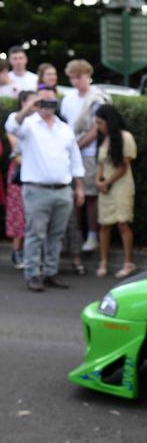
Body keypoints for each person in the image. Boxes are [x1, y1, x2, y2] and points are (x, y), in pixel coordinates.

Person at [5, 88, 84, 291]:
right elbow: (12, 126)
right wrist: (29, 108)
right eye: (44, 101)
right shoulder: (29, 125)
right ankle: (32, 273)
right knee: (35, 233)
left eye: (51, 101)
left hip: (62, 189)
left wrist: (79, 188)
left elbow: (75, 159)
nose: (47, 105)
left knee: (56, 234)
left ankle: (50, 272)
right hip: (36, 189)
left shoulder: (64, 128)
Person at [61, 60, 110, 255]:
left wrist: (77, 146)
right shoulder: (67, 99)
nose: (76, 81)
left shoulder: (97, 98)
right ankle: (75, 237)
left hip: (89, 153)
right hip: (69, 154)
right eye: (72, 77)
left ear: (87, 75)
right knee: (73, 197)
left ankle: (92, 235)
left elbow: (97, 127)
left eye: (79, 77)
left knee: (90, 196)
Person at [94, 104, 137, 278]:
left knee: (122, 223)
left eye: (100, 123)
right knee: (104, 224)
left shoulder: (125, 137)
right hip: (106, 188)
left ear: (109, 122)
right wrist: (98, 181)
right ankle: (103, 261)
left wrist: (107, 182)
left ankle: (128, 262)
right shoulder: (104, 139)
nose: (98, 127)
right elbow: (101, 164)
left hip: (121, 186)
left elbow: (123, 167)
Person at [3, 89, 30, 269]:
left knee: (32, 214)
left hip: (35, 173)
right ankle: (16, 252)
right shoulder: (14, 119)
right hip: (20, 171)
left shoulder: (41, 121)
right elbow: (16, 150)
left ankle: (29, 253)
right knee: (17, 212)